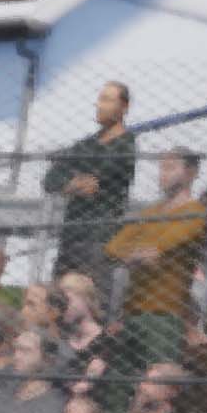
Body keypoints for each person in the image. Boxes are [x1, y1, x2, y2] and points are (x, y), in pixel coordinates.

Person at [103, 151, 207, 379]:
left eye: (170, 167)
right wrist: (139, 254)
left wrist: (135, 252)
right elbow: (113, 247)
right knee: (120, 381)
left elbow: (160, 246)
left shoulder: (196, 212)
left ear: (191, 173)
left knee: (158, 380)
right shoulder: (149, 212)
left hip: (165, 314)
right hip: (131, 311)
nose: (163, 174)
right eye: (162, 168)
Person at [43, 83, 135, 291]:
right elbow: (50, 180)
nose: (100, 105)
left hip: (100, 238)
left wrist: (69, 180)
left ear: (124, 107)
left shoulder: (126, 145)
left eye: (108, 100)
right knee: (58, 296)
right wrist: (73, 184)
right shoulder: (86, 144)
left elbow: (99, 176)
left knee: (93, 296)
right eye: (100, 99)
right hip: (71, 235)